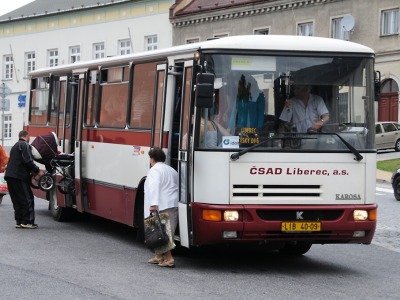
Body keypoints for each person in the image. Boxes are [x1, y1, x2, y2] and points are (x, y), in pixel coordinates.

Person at [144, 147, 178, 268]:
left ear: (152, 158)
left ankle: (169, 258)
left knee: (162, 233)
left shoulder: (154, 170)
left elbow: (154, 186)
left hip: (162, 205)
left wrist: (153, 203)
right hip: (173, 204)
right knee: (165, 232)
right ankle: (158, 256)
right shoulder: (172, 170)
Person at [5, 130, 45, 229]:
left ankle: (19, 221)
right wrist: (37, 170)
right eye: (29, 137)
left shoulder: (15, 146)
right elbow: (28, 160)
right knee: (28, 199)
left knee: (17, 200)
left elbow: (18, 161)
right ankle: (27, 222)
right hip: (19, 176)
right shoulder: (25, 145)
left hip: (10, 176)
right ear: (27, 136)